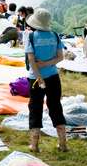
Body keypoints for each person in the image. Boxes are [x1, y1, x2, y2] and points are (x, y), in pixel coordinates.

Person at [25, 9, 67, 152]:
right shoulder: (55, 35)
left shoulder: (31, 37)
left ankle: (35, 145)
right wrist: (47, 63)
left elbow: (31, 60)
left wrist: (39, 77)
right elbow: (60, 57)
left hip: (36, 78)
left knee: (35, 107)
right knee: (55, 106)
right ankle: (63, 144)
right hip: (53, 76)